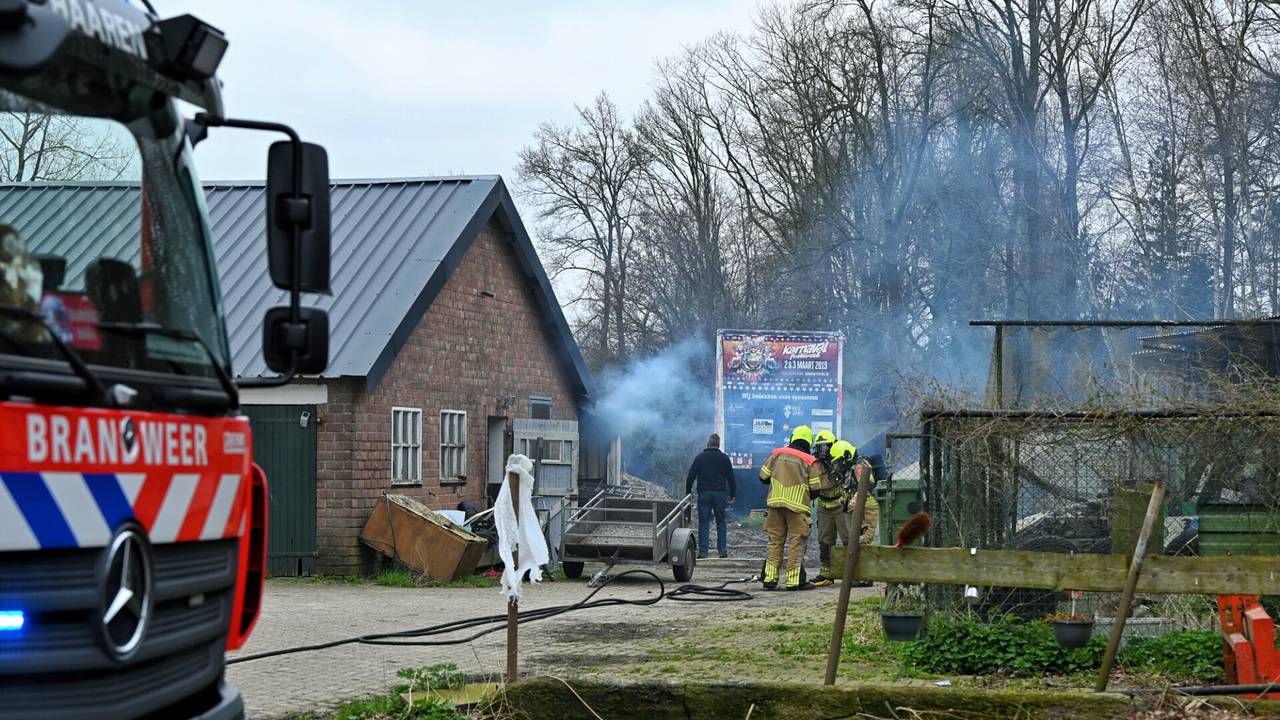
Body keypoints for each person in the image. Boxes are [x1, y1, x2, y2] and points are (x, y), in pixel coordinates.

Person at [759, 425, 823, 590]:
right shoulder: (810, 461)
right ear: (809, 442)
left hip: (774, 506)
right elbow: (816, 489)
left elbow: (763, 476)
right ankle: (794, 581)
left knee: (775, 542)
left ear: (793, 437)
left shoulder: (777, 453)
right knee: (796, 543)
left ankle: (770, 579)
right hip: (798, 508)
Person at [685, 433, 736, 559]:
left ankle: (703, 552)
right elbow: (731, 478)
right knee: (721, 522)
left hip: (704, 494)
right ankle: (722, 551)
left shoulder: (700, 458)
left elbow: (690, 476)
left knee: (703, 523)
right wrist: (732, 494)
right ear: (718, 445)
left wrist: (688, 492)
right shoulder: (724, 458)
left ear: (708, 444)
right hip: (719, 494)